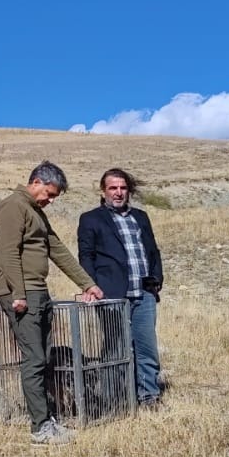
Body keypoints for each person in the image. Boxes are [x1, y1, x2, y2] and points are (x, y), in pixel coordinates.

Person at [0, 161, 104, 445]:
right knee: (34, 359)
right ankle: (39, 428)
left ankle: (47, 420)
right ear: (37, 182)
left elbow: (59, 251)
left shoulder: (36, 213)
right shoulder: (13, 206)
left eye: (54, 197)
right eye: (50, 194)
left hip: (39, 291)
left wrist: (87, 283)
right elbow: (7, 253)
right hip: (22, 293)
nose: (51, 201)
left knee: (44, 358)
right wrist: (18, 292)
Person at [78, 167, 165, 408]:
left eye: (123, 188)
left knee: (146, 348)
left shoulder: (141, 217)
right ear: (103, 190)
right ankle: (114, 400)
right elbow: (86, 256)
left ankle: (148, 397)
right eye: (113, 188)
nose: (118, 193)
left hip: (144, 294)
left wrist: (156, 279)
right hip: (112, 295)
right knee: (115, 348)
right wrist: (90, 285)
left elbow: (153, 251)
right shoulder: (90, 219)